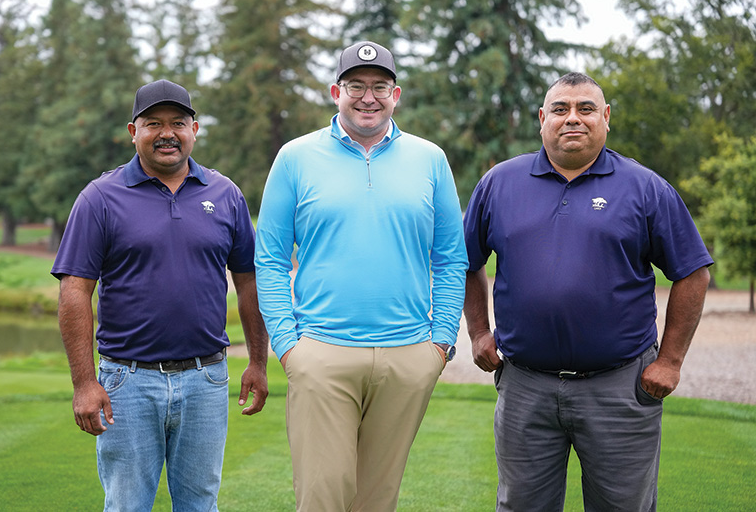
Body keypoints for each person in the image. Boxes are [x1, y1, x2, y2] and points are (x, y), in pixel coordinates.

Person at [462, 72, 713, 511]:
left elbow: (692, 272)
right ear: (542, 118)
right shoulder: (499, 184)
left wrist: (670, 362)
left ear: (606, 117)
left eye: (585, 108)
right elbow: (465, 263)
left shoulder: (645, 188)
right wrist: (479, 333)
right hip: (525, 388)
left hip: (619, 388)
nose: (572, 118)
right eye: (560, 109)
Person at [254, 40, 468, 512]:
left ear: (397, 94)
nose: (367, 97)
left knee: (377, 500)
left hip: (410, 354)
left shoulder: (430, 159)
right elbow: (268, 259)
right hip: (321, 353)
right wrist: (289, 346)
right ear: (336, 91)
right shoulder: (295, 157)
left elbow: (451, 258)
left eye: (379, 87)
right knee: (322, 497)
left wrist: (441, 342)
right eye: (355, 86)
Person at [52, 79, 269, 511]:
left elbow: (249, 282)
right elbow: (75, 290)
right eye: (154, 123)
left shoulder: (225, 195)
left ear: (195, 129)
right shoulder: (100, 198)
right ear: (134, 131)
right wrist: (83, 383)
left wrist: (259, 363)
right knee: (127, 504)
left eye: (178, 123)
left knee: (200, 504)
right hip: (127, 381)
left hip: (207, 378)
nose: (167, 133)